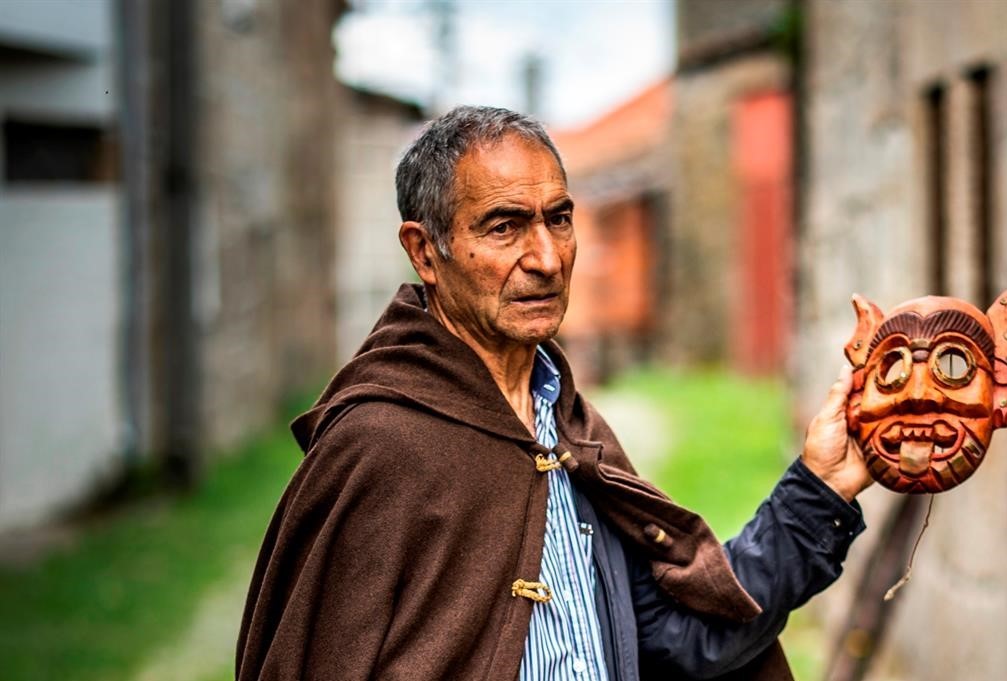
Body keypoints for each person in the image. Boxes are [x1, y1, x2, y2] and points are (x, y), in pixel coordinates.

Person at [236, 106, 871, 681]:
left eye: (559, 219)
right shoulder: (377, 446)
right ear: (425, 252)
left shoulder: (572, 429)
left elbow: (679, 639)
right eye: (504, 227)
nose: (545, 257)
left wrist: (821, 486)